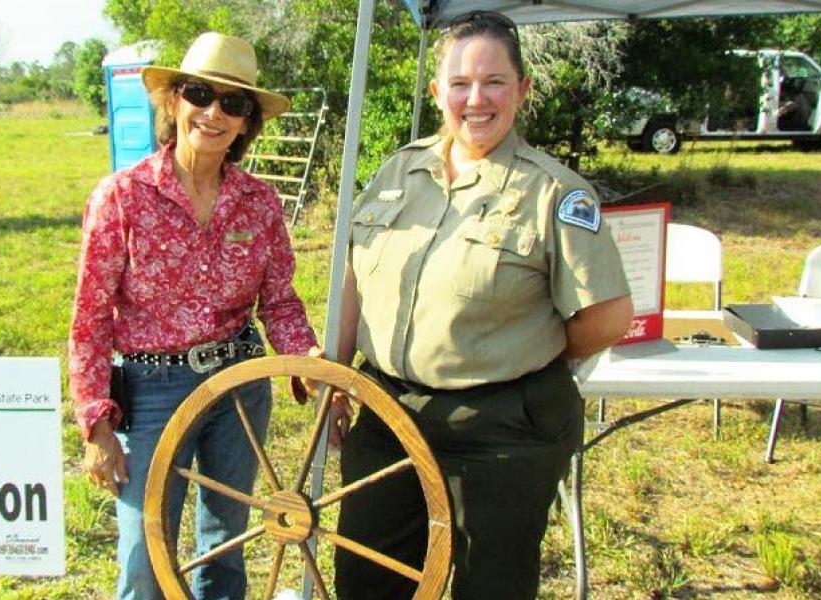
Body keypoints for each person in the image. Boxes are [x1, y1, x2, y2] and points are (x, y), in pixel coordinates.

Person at [327, 11, 634, 600]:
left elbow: (608, 317)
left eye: (494, 82)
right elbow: (355, 281)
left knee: (490, 585)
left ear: (522, 90)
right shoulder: (397, 171)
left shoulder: (555, 193)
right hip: (388, 414)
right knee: (367, 578)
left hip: (501, 429)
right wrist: (336, 379)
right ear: (437, 90)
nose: (476, 99)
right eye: (460, 83)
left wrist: (522, 350)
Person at [69, 32, 319, 600]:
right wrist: (97, 422)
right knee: (142, 555)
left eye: (233, 105)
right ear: (173, 100)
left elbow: (278, 300)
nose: (214, 113)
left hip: (240, 385)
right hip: (153, 388)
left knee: (225, 544)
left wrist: (305, 359)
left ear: (246, 124)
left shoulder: (259, 201)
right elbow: (90, 317)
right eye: (200, 94)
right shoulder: (122, 197)